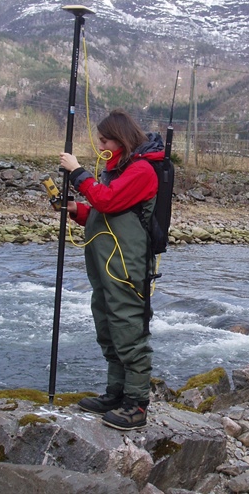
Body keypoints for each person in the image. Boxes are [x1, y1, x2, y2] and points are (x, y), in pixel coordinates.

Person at [59, 109, 164, 430]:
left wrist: (77, 173)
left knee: (128, 328)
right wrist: (77, 210)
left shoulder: (142, 171)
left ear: (120, 139)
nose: (100, 144)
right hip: (106, 265)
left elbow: (108, 201)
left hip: (126, 267)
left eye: (104, 139)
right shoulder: (117, 170)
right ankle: (116, 393)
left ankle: (136, 404)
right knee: (107, 326)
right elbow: (106, 211)